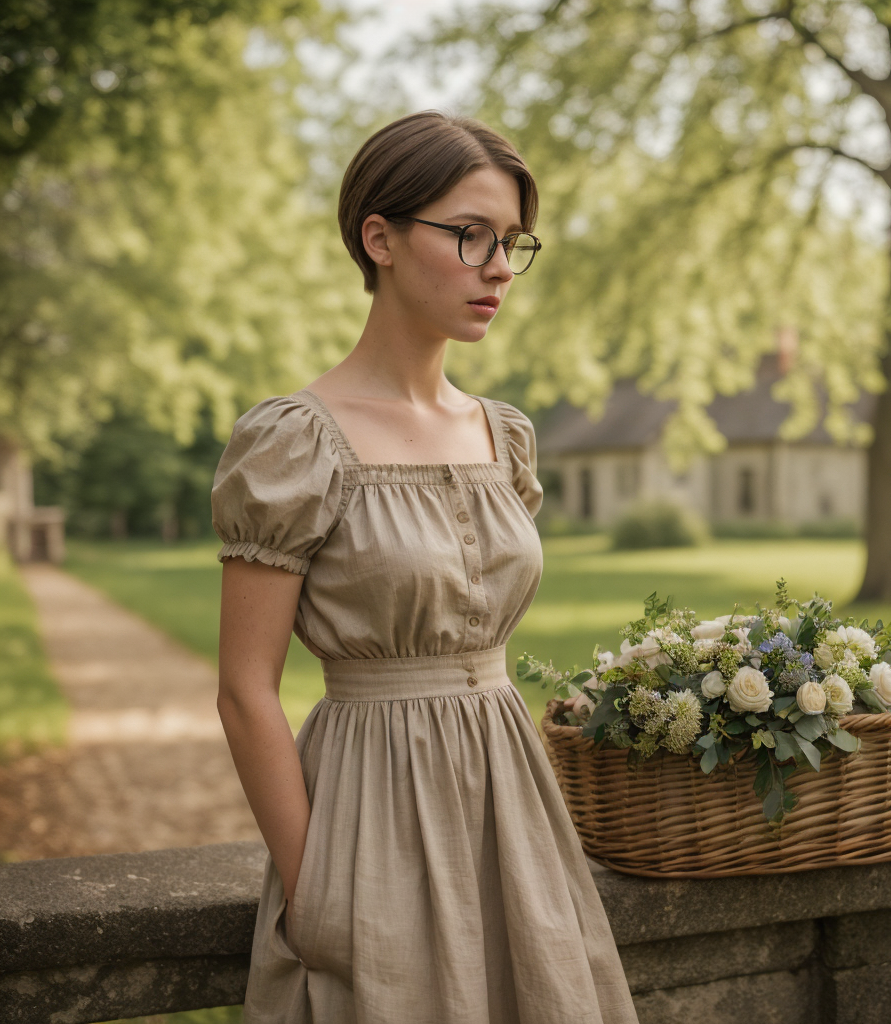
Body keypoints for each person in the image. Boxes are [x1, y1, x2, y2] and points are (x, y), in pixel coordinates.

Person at [212, 110, 639, 1023]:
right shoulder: (294, 440)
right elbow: (245, 690)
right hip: (371, 808)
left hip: (511, 800)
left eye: (513, 243)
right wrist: (315, 885)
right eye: (470, 234)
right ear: (381, 239)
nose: (497, 268)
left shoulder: (503, 434)